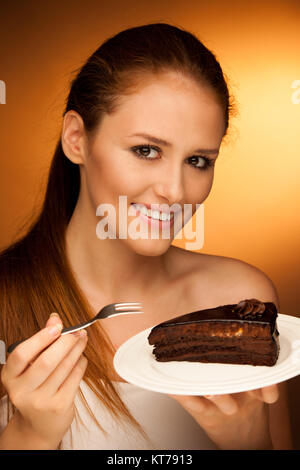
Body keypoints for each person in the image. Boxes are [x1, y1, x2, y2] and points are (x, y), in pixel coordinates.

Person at [0, 22, 292, 450]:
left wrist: (248, 441)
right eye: (146, 151)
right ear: (76, 139)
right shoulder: (7, 302)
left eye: (197, 160)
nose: (174, 191)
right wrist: (29, 437)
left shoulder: (241, 301)